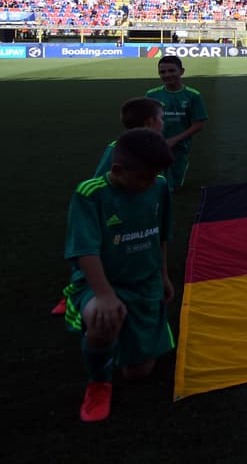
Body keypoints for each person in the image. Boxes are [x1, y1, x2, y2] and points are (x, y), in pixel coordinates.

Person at [63, 128, 175, 422]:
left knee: (138, 373)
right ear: (117, 169)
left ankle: (129, 335)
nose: (150, 183)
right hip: (101, 284)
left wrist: (163, 275)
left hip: (145, 282)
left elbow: (161, 235)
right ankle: (99, 381)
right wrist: (104, 295)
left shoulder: (159, 185)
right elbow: (84, 251)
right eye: (143, 178)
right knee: (104, 318)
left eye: (154, 176)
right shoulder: (90, 194)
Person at [145, 56, 208, 189]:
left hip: (180, 146)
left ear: (182, 71)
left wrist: (175, 140)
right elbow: (145, 120)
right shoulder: (152, 94)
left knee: (176, 185)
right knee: (157, 184)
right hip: (156, 145)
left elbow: (199, 123)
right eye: (162, 72)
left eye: (171, 70)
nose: (167, 75)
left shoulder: (193, 95)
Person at [93, 97, 165, 178]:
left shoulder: (155, 146)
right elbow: (100, 180)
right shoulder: (119, 147)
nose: (163, 122)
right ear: (149, 122)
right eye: (162, 118)